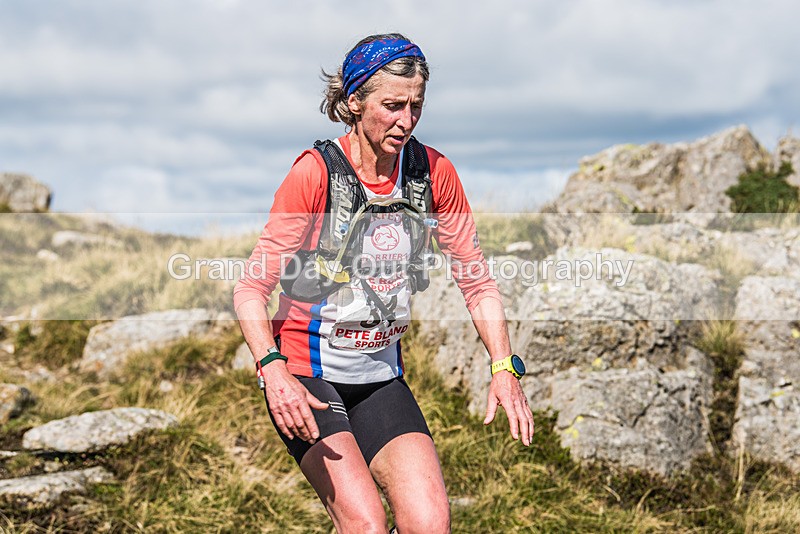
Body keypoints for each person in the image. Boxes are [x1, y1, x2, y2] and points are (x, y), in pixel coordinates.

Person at [233, 33, 534, 534]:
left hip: (379, 377)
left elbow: (476, 279)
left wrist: (503, 367)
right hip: (308, 377)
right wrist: (272, 370)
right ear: (353, 102)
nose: (407, 121)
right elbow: (250, 289)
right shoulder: (316, 175)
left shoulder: (433, 172)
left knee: (429, 523)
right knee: (367, 524)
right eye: (392, 106)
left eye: (416, 106)